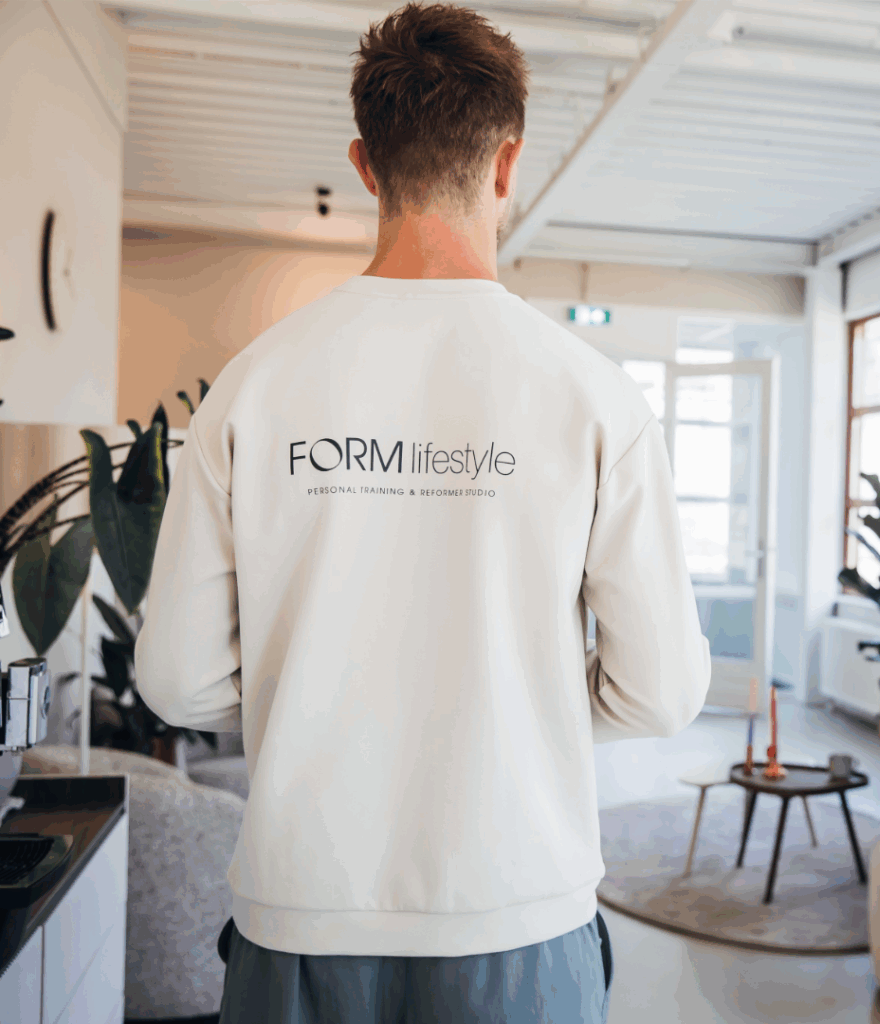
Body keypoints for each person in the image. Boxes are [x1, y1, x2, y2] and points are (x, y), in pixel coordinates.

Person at [133, 4, 712, 1022]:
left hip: (302, 914)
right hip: (522, 912)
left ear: (366, 165)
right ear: (507, 164)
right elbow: (660, 694)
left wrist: (319, 692)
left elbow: (176, 679)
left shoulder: (253, 387)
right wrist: (514, 700)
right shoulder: (592, 395)